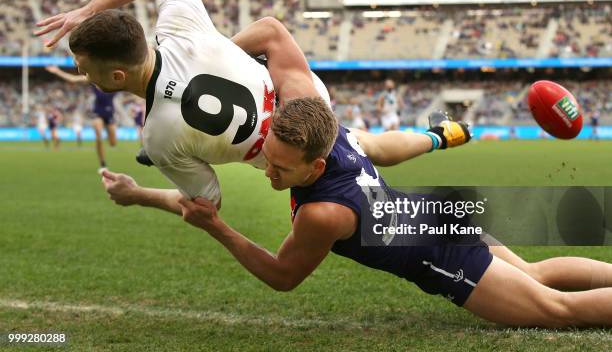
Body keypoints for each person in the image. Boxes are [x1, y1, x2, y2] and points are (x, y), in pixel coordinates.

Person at [36, 0, 469, 206]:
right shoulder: (182, 27)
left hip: (288, 157)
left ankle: (442, 155)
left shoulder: (160, 137)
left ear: (116, 76)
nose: (78, 70)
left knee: (391, 216)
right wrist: (91, 8)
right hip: (305, 98)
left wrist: (138, 195)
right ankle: (438, 136)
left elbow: (207, 203)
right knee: (364, 144)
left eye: (83, 66)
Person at [177, 97, 612, 328]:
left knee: (558, 310)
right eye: (267, 157)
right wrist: (442, 135)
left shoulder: (323, 214)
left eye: (280, 167)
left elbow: (282, 276)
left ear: (316, 166)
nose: (266, 171)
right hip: (438, 213)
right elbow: (391, 145)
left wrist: (218, 228)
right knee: (535, 274)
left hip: (443, 255)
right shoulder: (339, 136)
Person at [46, 65, 116, 168]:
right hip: (98, 112)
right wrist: (57, 71)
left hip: (110, 113)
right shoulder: (94, 79)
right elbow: (73, 79)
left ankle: (104, 141)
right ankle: (102, 163)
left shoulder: (115, 80)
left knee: (112, 143)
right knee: (98, 135)